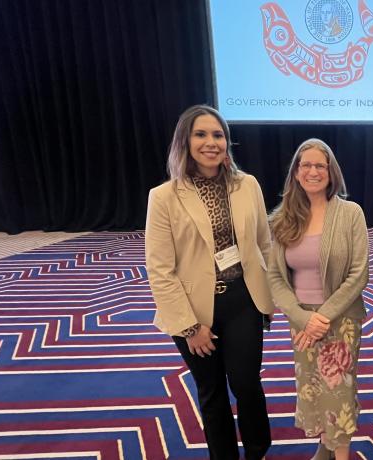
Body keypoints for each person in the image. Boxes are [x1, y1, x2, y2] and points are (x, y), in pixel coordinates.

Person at [145, 105, 273, 460]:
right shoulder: (164, 196)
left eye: (217, 135)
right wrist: (189, 326)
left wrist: (268, 297)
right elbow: (160, 268)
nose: (211, 142)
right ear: (185, 141)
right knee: (211, 390)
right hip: (194, 309)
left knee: (247, 383)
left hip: (242, 300)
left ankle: (258, 450)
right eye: (201, 134)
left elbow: (264, 244)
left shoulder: (247, 185)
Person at [268, 138, 368, 460]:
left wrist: (321, 318)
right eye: (306, 165)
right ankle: (325, 448)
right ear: (296, 173)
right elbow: (275, 277)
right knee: (313, 389)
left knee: (338, 392)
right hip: (300, 319)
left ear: (331, 172)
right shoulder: (282, 219)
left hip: (341, 317)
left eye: (320, 165)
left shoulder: (351, 213)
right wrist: (301, 318)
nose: (313, 171)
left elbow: (359, 274)